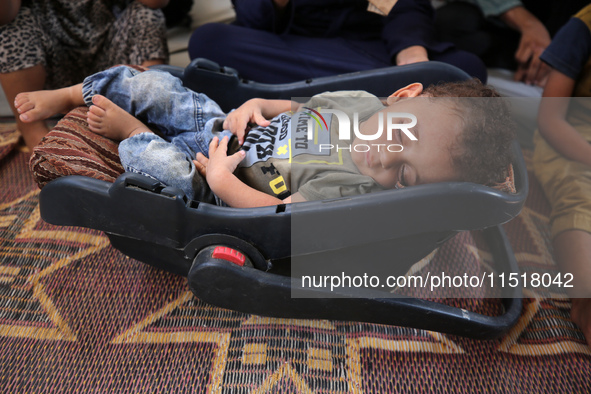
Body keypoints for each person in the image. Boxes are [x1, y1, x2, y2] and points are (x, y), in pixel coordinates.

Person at [14, 65, 514, 208]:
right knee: (151, 82)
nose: (385, 160)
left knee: (164, 175)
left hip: (210, 176)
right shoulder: (361, 104)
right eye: (400, 135)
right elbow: (295, 106)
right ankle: (71, 92)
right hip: (220, 124)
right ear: (401, 99)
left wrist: (224, 181)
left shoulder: (350, 189)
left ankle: (136, 133)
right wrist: (254, 106)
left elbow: (277, 214)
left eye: (406, 175)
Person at [0, 0, 170, 151]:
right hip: (53, 58)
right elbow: (5, 15)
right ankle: (33, 128)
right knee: (9, 30)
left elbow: (155, 2)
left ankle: (148, 118)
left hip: (112, 54)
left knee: (147, 15)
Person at [187, 0, 487, 84]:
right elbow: (255, 21)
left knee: (464, 71)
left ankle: (384, 85)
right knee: (209, 41)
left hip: (368, 49)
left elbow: (402, 8)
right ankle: (381, 90)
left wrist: (410, 52)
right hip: (291, 50)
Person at [531, 4, 591, 347]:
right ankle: (584, 302)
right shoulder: (582, 28)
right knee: (578, 194)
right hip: (572, 134)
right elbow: (551, 120)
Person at [434, 0, 589, 86]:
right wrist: (528, 24)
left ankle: (545, 66)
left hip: (563, 29)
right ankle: (531, 63)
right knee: (449, 22)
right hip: (504, 24)